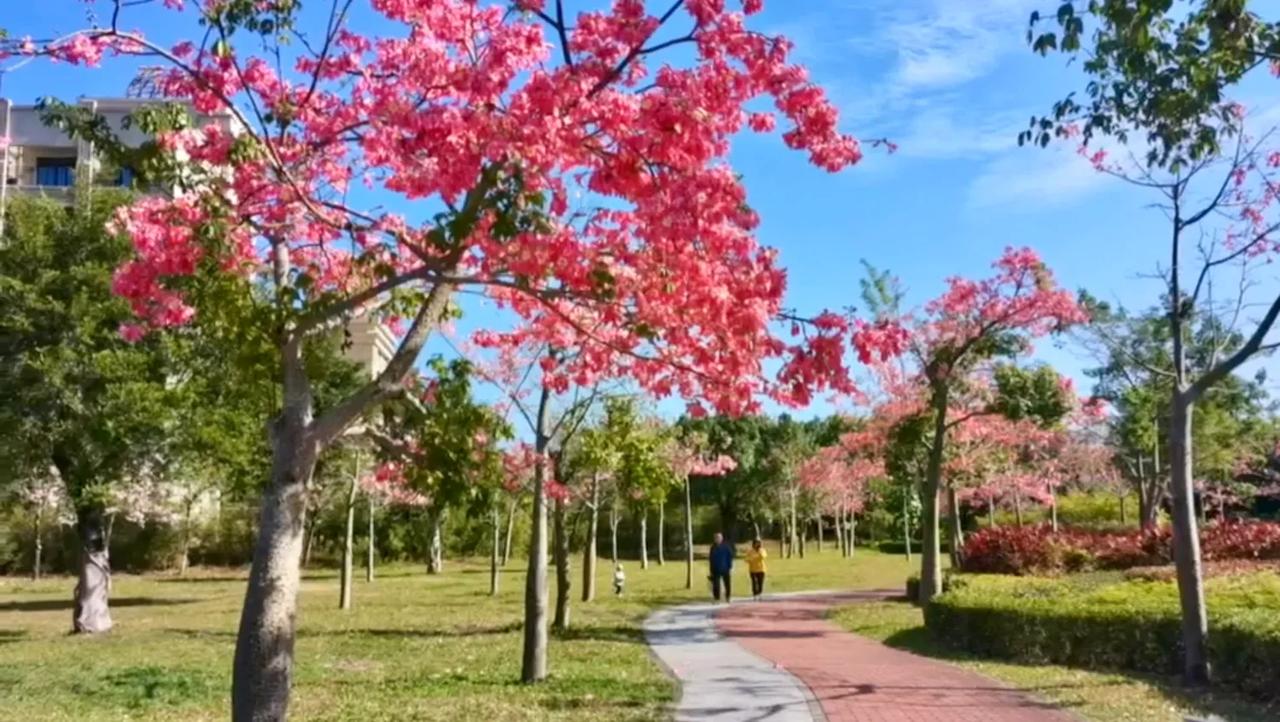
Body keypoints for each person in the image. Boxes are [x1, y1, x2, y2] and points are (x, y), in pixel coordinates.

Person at [708, 532, 734, 603]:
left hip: (725, 568)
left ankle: (728, 597)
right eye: (716, 538)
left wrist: (730, 567)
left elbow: (730, 557)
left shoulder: (726, 547)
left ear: (721, 538)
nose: (717, 539)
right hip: (715, 569)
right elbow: (711, 558)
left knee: (727, 584)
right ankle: (717, 598)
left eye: (719, 537)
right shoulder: (713, 547)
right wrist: (711, 569)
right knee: (716, 585)